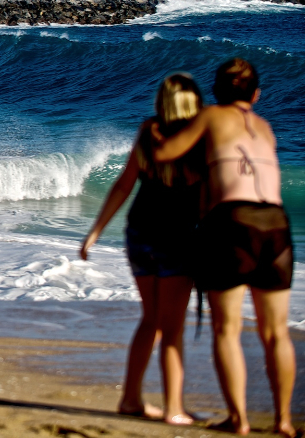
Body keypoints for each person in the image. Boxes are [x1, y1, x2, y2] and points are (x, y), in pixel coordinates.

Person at [152, 59, 295, 437]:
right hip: (277, 224)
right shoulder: (265, 127)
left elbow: (166, 153)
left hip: (233, 222)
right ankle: (282, 421)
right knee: (276, 333)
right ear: (257, 94)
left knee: (227, 329)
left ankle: (239, 420)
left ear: (216, 92)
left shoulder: (212, 116)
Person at [81, 74, 205, 425]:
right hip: (176, 238)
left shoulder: (149, 130)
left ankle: (131, 399)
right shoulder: (198, 139)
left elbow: (124, 184)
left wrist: (95, 232)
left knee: (151, 319)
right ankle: (174, 409)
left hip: (139, 234)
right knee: (172, 327)